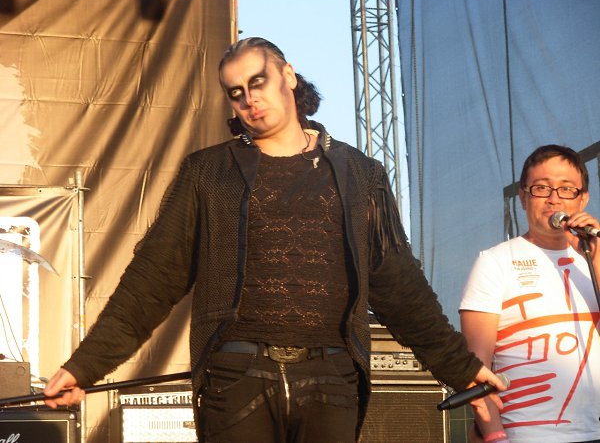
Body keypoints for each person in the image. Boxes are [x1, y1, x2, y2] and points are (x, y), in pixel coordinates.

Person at [44, 37, 504, 443]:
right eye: (236, 92)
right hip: (236, 377)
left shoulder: (360, 173)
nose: (249, 99)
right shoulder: (209, 172)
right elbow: (153, 279)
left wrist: (460, 368)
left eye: (258, 82)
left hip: (332, 378)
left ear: (288, 75)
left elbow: (398, 284)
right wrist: (85, 367)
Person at [460, 145, 600, 443]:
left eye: (566, 189)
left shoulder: (595, 257)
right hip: (526, 433)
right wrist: (495, 436)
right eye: (541, 188)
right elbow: (475, 368)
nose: (554, 198)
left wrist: (597, 259)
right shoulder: (495, 262)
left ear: (583, 198)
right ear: (523, 198)